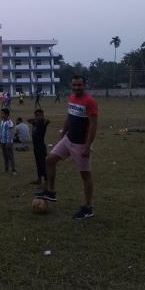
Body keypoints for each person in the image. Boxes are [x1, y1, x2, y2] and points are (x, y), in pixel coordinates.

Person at [34, 75, 98, 219]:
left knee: (85, 176)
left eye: (79, 85)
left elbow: (93, 125)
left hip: (81, 144)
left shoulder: (90, 102)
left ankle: (88, 208)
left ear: (84, 85)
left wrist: (88, 146)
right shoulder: (72, 98)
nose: (76, 87)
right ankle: (51, 191)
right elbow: (69, 117)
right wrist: (63, 133)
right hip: (68, 139)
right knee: (49, 160)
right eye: (74, 85)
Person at [27, 110, 49, 185]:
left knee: (43, 164)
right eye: (36, 115)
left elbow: (48, 121)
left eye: (39, 115)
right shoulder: (35, 123)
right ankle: (39, 180)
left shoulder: (43, 124)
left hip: (41, 148)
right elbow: (28, 120)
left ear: (42, 115)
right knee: (38, 164)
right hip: (36, 147)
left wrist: (42, 119)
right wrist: (35, 119)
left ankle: (46, 181)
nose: (37, 116)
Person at [0, 108, 16, 174]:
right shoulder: (2, 121)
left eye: (2, 113)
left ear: (7, 114)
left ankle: (13, 169)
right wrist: (0, 140)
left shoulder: (9, 122)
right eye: (1, 113)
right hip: (3, 141)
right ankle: (6, 168)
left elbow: (10, 133)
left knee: (10, 156)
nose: (1, 115)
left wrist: (9, 142)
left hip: (8, 142)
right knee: (5, 156)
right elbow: (1, 132)